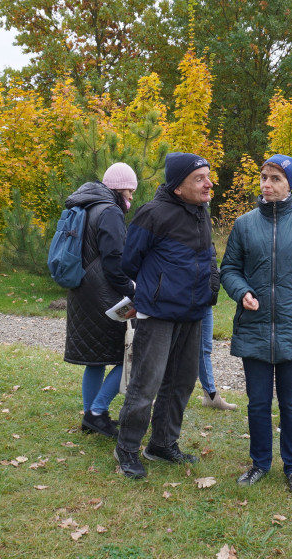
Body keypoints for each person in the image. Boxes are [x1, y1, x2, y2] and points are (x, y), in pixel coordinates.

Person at [220, 154, 292, 498]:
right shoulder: (244, 224)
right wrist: (242, 291)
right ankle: (260, 463)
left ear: (290, 184)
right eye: (264, 177)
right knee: (257, 403)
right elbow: (229, 269)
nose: (266, 184)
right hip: (254, 327)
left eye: (275, 178)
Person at [113, 152, 220, 479]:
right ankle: (127, 448)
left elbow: (209, 256)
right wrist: (155, 289)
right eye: (199, 178)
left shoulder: (201, 212)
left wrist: (211, 288)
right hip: (158, 313)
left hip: (194, 313)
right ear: (177, 187)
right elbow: (129, 262)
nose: (208, 183)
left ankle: (161, 444)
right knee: (146, 383)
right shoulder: (153, 213)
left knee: (181, 382)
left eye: (208, 176)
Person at [63, 163, 138, 438]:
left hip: (82, 291)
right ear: (119, 189)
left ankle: (90, 417)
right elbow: (114, 262)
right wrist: (132, 290)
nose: (131, 198)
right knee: (130, 355)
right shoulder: (110, 211)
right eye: (130, 192)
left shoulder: (85, 206)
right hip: (104, 295)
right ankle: (97, 411)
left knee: (95, 359)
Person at [197, 305, 237, 411]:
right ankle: (164, 395)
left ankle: (211, 395)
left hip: (204, 302)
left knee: (204, 349)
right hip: (184, 303)